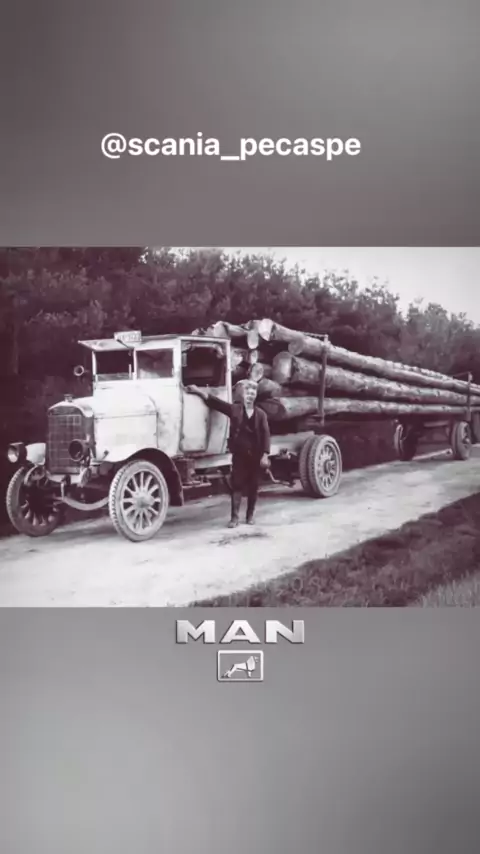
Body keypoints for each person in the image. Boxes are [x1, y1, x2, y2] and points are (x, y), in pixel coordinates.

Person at [186, 379, 271, 528]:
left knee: (253, 487)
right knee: (237, 485)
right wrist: (198, 391)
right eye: (248, 392)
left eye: (253, 393)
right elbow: (216, 403)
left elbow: (266, 435)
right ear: (243, 395)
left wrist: (265, 454)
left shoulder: (261, 415)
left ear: (256, 396)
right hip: (240, 455)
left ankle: (250, 516)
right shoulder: (235, 410)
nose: (250, 395)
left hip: (256, 456)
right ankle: (234, 518)